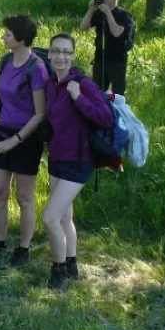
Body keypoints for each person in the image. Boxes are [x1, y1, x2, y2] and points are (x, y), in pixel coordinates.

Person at [42, 33, 113, 291]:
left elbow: (106, 119)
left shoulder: (83, 84)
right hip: (57, 158)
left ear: (73, 55)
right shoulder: (51, 83)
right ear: (49, 54)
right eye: (55, 51)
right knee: (63, 218)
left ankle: (58, 270)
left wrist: (78, 98)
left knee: (50, 218)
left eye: (66, 52)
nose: (60, 56)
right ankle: (72, 266)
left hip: (79, 161)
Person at [0, 16, 48, 268]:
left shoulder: (36, 68)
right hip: (3, 133)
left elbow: (40, 113)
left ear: (21, 39)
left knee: (24, 197)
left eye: (7, 34)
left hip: (26, 139)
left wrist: (16, 141)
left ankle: (24, 247)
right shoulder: (6, 60)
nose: (3, 37)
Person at [78, 0, 132, 95]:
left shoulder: (123, 14)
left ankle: (117, 111)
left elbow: (117, 33)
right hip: (100, 58)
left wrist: (108, 13)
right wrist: (91, 9)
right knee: (97, 92)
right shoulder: (98, 13)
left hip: (117, 60)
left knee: (118, 94)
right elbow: (83, 27)